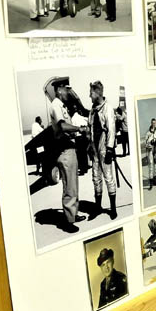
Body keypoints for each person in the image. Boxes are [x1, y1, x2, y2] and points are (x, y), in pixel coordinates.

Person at [45, 78, 85, 232]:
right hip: (64, 149)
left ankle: (73, 215)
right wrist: (78, 129)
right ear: (60, 90)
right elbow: (62, 126)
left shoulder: (62, 106)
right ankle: (68, 222)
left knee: (73, 185)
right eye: (67, 89)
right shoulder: (56, 105)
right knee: (69, 186)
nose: (69, 92)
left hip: (70, 149)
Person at [87, 81, 118, 221]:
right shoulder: (92, 110)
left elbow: (111, 129)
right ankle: (98, 208)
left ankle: (113, 209)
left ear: (97, 93)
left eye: (91, 93)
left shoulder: (108, 109)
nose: (89, 95)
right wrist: (89, 144)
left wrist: (110, 149)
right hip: (94, 149)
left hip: (105, 148)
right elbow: (90, 128)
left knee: (108, 178)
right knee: (96, 178)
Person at [144, 118, 156, 189]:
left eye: (154, 123)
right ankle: (151, 183)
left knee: (155, 166)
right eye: (152, 123)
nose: (153, 124)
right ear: (151, 123)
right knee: (150, 166)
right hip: (150, 151)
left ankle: (155, 180)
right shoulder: (148, 133)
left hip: (155, 150)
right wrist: (149, 145)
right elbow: (145, 142)